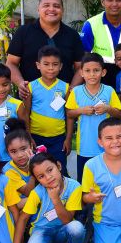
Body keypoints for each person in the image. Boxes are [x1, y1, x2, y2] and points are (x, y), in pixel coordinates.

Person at [9, 151, 90, 243]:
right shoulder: (37, 192)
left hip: (63, 229)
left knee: (77, 227)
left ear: (58, 166)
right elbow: (23, 218)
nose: (48, 177)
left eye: (50, 170)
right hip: (42, 231)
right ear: (37, 180)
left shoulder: (74, 187)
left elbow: (67, 220)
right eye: (41, 176)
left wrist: (55, 199)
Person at [7, 0, 84, 98]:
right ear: (38, 9)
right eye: (46, 5)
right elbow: (11, 63)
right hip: (29, 98)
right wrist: (21, 84)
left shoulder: (72, 35)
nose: (51, 9)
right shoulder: (23, 32)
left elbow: (80, 67)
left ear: (62, 10)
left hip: (63, 100)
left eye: (56, 6)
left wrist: (71, 90)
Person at [65, 52, 121, 180]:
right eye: (88, 71)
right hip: (84, 147)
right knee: (85, 182)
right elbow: (69, 113)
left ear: (103, 72)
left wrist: (108, 108)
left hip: (106, 147)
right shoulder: (77, 91)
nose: (92, 74)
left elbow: (119, 114)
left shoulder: (109, 91)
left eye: (96, 70)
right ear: (81, 73)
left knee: (106, 180)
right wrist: (81, 110)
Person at [25, 46, 70, 176]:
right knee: (38, 170)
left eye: (55, 64)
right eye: (46, 64)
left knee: (60, 169)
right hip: (36, 137)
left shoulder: (65, 87)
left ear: (60, 66)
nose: (51, 68)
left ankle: (63, 195)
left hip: (58, 138)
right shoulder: (31, 87)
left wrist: (67, 138)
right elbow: (26, 113)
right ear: (38, 65)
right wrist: (29, 137)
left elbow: (69, 115)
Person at [2, 119, 35, 210]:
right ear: (8, 153)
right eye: (13, 151)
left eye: (23, 149)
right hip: (20, 207)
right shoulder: (9, 171)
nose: (20, 155)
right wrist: (34, 169)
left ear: (31, 146)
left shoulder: (38, 159)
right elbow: (27, 192)